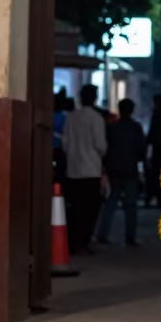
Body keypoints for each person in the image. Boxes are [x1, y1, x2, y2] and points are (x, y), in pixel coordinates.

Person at [63, 83, 107, 254]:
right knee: (90, 209)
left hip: (73, 169)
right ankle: (84, 241)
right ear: (94, 98)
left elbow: (65, 143)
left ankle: (73, 241)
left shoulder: (71, 117)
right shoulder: (96, 119)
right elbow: (100, 145)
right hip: (91, 169)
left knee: (74, 208)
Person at [98, 98, 146, 246]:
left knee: (111, 202)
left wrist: (106, 167)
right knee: (131, 205)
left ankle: (102, 234)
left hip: (114, 169)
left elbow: (106, 149)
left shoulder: (112, 128)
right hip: (130, 169)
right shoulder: (136, 128)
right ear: (132, 111)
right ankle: (130, 237)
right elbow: (141, 150)